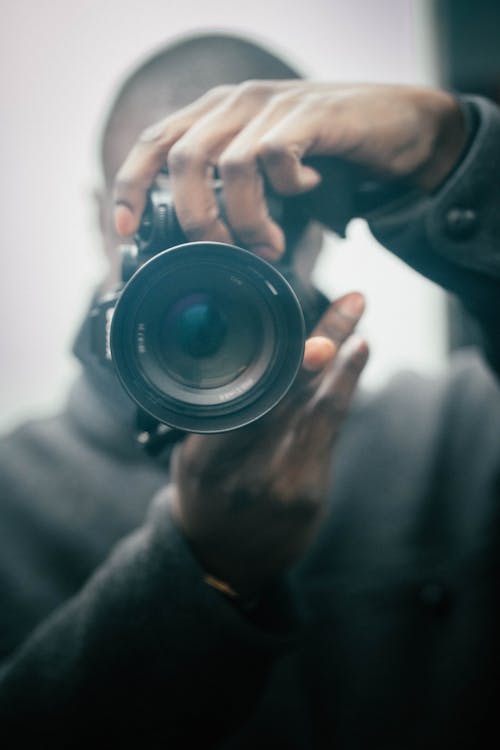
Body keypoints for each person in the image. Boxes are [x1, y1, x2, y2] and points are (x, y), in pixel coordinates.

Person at [0, 32, 499, 748]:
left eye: (251, 213)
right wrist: (198, 571)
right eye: (160, 216)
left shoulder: (459, 435)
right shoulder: (11, 501)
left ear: (320, 224)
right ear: (99, 217)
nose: (211, 257)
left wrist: (452, 149)